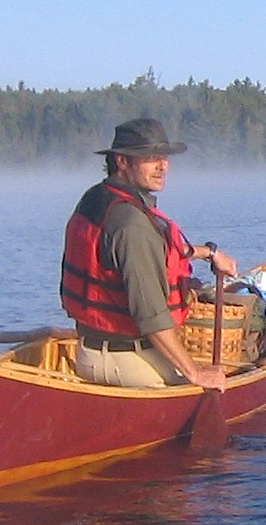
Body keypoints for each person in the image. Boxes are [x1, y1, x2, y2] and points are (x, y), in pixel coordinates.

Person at [59, 117, 236, 388]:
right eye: (150, 157)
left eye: (163, 156)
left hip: (90, 355)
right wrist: (196, 374)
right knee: (207, 379)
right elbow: (151, 317)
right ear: (122, 161)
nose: (163, 166)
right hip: (129, 365)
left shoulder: (98, 198)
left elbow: (161, 251)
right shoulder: (132, 224)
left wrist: (209, 254)